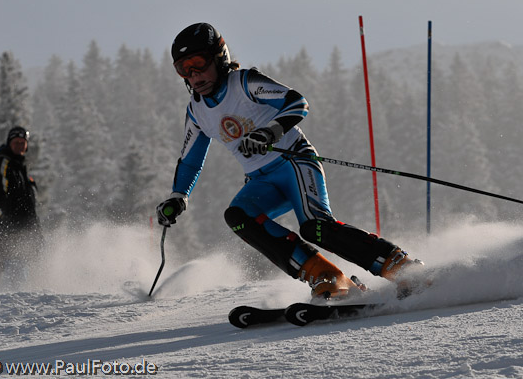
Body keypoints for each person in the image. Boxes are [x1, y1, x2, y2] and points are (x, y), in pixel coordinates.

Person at [157, 23, 423, 300]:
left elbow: (297, 102)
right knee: (238, 216)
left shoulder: (245, 83)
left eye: (198, 63)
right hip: (261, 181)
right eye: (183, 69)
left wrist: (270, 131)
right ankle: (327, 277)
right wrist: (178, 196)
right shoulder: (197, 111)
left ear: (219, 57)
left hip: (294, 164)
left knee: (315, 227)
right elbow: (189, 161)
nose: (193, 75)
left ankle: (401, 267)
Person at [0, 126, 43, 285]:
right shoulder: (2, 163)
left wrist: (35, 228)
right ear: (9, 144)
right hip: (8, 231)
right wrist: (6, 223)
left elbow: (28, 205)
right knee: (11, 273)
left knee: (27, 269)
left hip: (27, 229)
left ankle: (23, 302)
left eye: (22, 143)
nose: (20, 146)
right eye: (16, 142)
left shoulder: (21, 166)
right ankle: (5, 304)